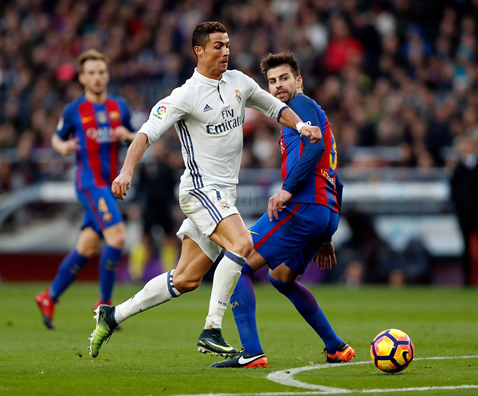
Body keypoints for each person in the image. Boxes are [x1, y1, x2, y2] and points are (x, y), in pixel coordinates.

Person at [87, 21, 322, 358]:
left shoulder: (239, 82)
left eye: (227, 44)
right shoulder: (186, 95)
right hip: (200, 190)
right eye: (217, 46)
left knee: (185, 279)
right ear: (198, 50)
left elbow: (274, 107)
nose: (225, 51)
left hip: (224, 195)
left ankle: (113, 315)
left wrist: (300, 125)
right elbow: (145, 134)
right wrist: (126, 171)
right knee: (243, 244)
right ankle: (211, 328)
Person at [205, 53, 355, 368]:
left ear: (298, 81)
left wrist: (287, 190)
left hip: (302, 207)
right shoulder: (314, 113)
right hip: (323, 213)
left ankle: (252, 352)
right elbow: (336, 180)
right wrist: (327, 232)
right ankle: (336, 347)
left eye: (284, 78)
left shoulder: (300, 107)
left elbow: (313, 148)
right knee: (282, 278)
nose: (278, 86)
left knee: (236, 264)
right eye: (272, 81)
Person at [35, 49, 136, 329]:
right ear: (82, 77)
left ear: (107, 74)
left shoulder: (120, 107)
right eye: (91, 73)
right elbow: (57, 138)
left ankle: (49, 296)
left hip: (110, 184)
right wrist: (63, 147)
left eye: (101, 72)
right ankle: (104, 305)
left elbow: (135, 136)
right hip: (89, 183)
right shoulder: (73, 110)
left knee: (87, 246)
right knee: (116, 238)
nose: (96, 77)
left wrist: (126, 135)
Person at [128, 139, 180, 281]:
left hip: (165, 208)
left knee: (169, 239)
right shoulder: (146, 168)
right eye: (156, 146)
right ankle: (135, 274)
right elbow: (139, 189)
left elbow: (174, 190)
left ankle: (170, 273)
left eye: (160, 146)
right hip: (149, 208)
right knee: (144, 239)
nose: (158, 149)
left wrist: (176, 207)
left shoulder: (169, 168)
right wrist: (136, 205)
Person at [450, 136, 478, 286]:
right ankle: (467, 279)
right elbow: (454, 190)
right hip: (464, 214)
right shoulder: (459, 167)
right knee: (465, 247)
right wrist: (459, 207)